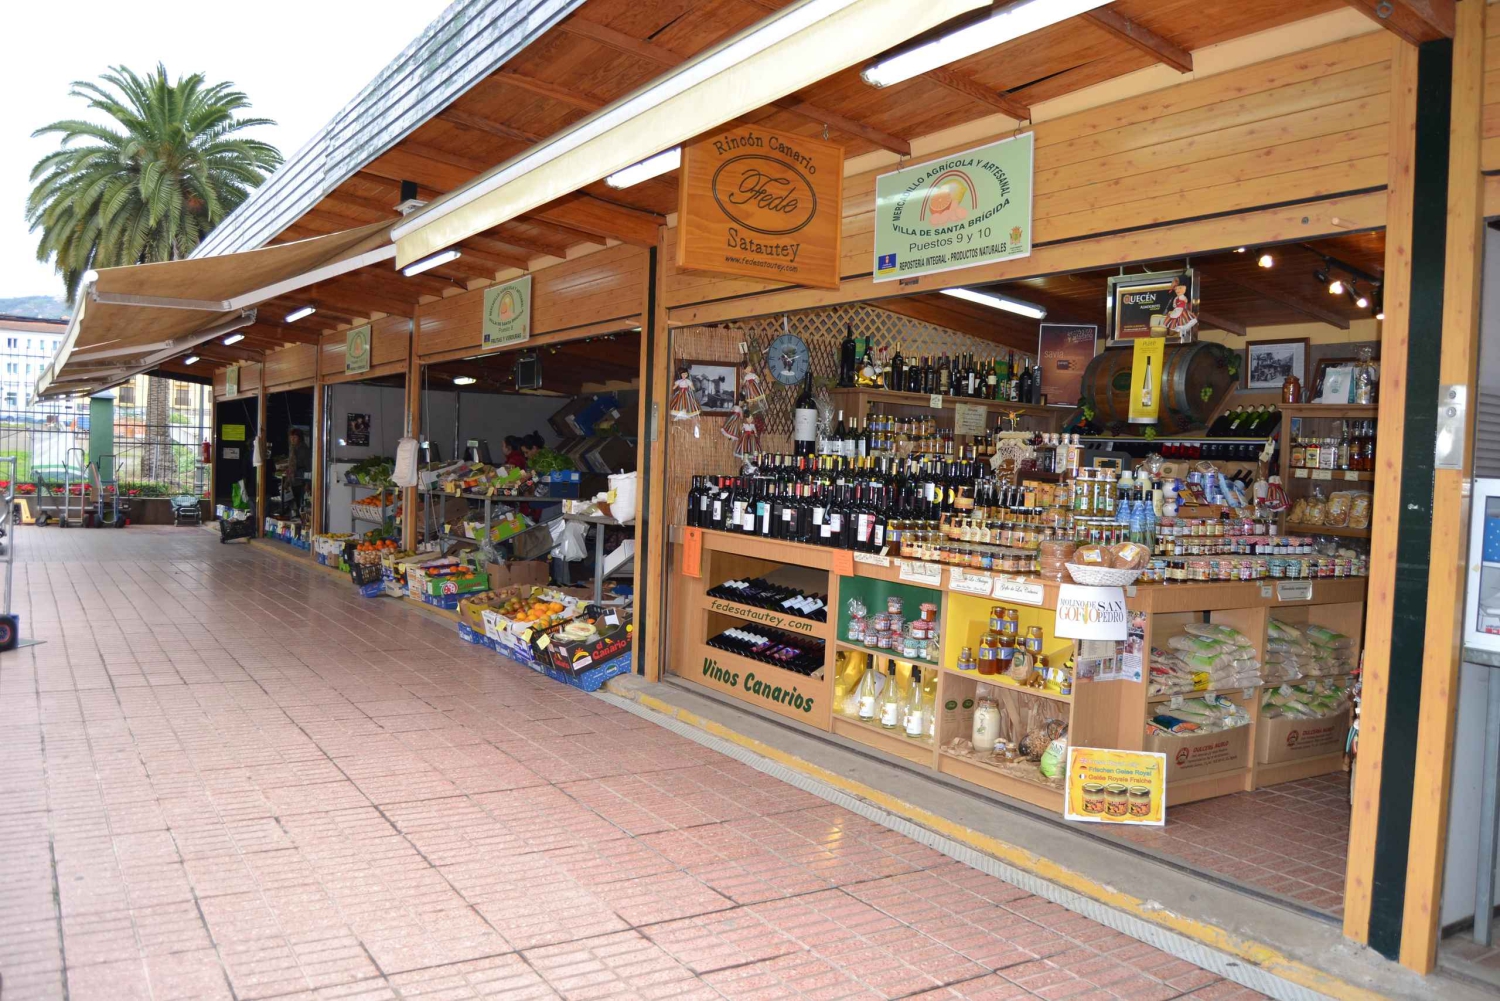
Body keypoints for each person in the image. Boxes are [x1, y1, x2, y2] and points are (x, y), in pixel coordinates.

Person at [288, 428, 311, 518]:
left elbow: (308, 467)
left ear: (299, 438)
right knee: (295, 502)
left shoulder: (304, 450)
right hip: (294, 479)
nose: (292, 439)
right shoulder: (292, 448)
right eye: (291, 437)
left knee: (301, 503)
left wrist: (307, 483)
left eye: (295, 437)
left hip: (301, 479)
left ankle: (302, 521)